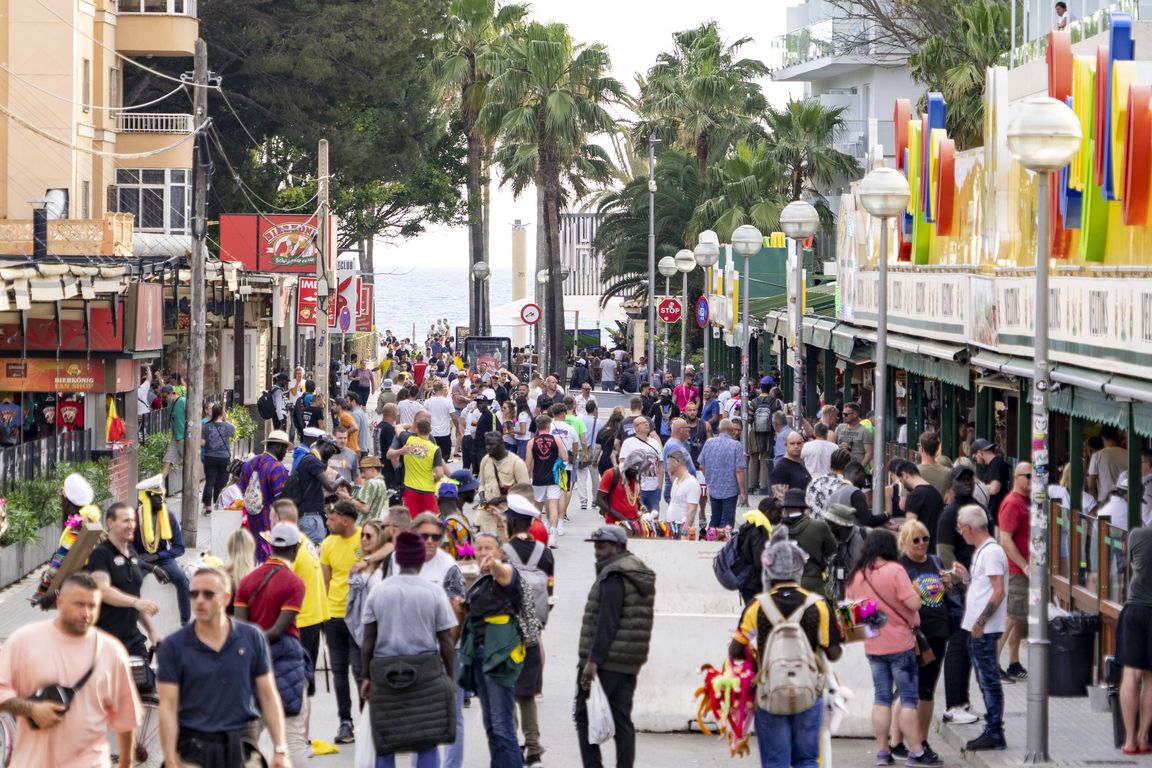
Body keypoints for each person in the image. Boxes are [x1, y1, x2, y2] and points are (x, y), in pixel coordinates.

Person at [729, 528, 843, 768]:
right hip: (809, 692)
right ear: (799, 568)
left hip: (769, 693)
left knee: (776, 762)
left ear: (769, 569)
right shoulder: (818, 605)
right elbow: (834, 653)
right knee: (807, 759)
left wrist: (757, 657)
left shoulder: (757, 606)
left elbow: (735, 651)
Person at [0, 573, 141, 767]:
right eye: (79, 605)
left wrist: (127, 764)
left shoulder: (112, 651)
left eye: (92, 606)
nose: (86, 614)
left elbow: (126, 719)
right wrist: (31, 709)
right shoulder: (24, 641)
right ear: (60, 603)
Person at [157, 567, 291, 768]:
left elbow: (268, 695)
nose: (199, 600)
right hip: (191, 745)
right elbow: (167, 706)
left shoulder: (252, 637)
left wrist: (280, 750)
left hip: (241, 744)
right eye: (194, 594)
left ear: (226, 598)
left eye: (208, 594)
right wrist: (169, 758)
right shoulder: (173, 646)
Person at [359, 530, 458, 768]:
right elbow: (445, 639)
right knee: (427, 740)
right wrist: (450, 677)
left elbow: (368, 640)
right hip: (426, 674)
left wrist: (366, 676)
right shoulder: (433, 592)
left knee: (385, 741)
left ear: (398, 558)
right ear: (420, 558)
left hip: (386, 675)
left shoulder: (378, 591)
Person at [846, 529, 940, 766]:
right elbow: (914, 603)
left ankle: (882, 751)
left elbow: (854, 615)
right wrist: (916, 592)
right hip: (900, 645)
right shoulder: (895, 570)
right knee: (908, 698)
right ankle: (916, 750)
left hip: (874, 645)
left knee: (881, 698)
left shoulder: (857, 575)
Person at [575, 526, 656, 768]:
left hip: (607, 660)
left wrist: (593, 661)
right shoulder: (635, 569)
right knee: (621, 718)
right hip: (628, 660)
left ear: (618, 547)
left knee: (583, 715)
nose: (597, 552)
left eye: (602, 546)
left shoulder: (614, 575)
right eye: (596, 546)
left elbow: (606, 622)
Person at [234, 524, 312, 768]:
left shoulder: (247, 581)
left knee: (247, 740)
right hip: (286, 663)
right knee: (292, 738)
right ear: (296, 548)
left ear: (271, 546)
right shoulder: (294, 583)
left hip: (252, 666)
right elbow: (279, 629)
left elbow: (241, 628)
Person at [459, 532, 526, 767]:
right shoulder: (481, 580)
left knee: (501, 724)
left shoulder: (506, 572)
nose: (483, 553)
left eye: (488, 548)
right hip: (480, 653)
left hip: (499, 656)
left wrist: (494, 564)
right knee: (490, 723)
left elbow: (503, 574)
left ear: (500, 551)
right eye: (479, 549)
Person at [893, 519, 952, 758]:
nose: (921, 544)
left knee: (927, 688)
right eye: (915, 540)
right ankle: (897, 742)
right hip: (911, 633)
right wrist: (911, 593)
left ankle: (922, 741)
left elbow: (946, 596)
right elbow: (893, 600)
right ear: (905, 542)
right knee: (907, 688)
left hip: (937, 631)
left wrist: (950, 585)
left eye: (925, 538)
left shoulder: (936, 562)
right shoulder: (899, 566)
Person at [953, 503, 1008, 751]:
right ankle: (993, 729)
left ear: (968, 527)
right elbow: (983, 588)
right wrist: (966, 577)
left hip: (983, 629)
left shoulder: (991, 552)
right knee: (985, 679)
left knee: (988, 680)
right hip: (978, 628)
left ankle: (994, 731)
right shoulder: (982, 552)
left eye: (960, 527)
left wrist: (981, 622)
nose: (959, 532)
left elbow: (998, 591)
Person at [504, 506, 555, 768]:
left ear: (512, 523)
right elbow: (550, 590)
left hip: (506, 629)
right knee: (526, 693)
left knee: (507, 689)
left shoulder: (503, 553)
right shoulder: (544, 553)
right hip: (533, 630)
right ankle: (533, 748)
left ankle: (511, 744)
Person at [934, 465, 985, 726]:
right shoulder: (950, 514)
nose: (966, 482)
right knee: (958, 643)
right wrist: (959, 584)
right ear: (952, 483)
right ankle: (954, 705)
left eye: (969, 478)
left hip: (976, 585)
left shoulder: (977, 509)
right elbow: (944, 553)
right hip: (959, 590)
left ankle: (962, 701)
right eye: (961, 478)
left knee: (967, 645)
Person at [87, 501, 160, 660]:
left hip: (132, 638)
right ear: (110, 523)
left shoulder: (132, 553)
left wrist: (152, 631)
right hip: (105, 639)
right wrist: (135, 602)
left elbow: (135, 598)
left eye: (133, 520)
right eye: (126, 520)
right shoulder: (100, 554)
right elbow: (103, 591)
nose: (131, 525)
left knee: (145, 676)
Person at [320, 499, 364, 744]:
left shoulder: (364, 539)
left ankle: (368, 718)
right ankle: (345, 722)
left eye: (332, 518)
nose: (328, 522)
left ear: (345, 521)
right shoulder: (328, 544)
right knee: (338, 671)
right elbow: (325, 582)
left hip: (359, 616)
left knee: (360, 670)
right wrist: (323, 613)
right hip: (334, 615)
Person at [134, 479, 191, 625]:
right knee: (130, 581)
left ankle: (186, 623)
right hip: (140, 559)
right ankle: (132, 623)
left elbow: (179, 548)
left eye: (162, 495)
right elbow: (127, 550)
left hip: (162, 559)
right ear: (146, 497)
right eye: (156, 496)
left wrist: (158, 555)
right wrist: (147, 564)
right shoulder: (133, 517)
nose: (161, 499)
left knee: (182, 578)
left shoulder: (169, 516)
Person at [1118, 513, 1152, 754]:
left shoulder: (1137, 535)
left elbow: (1132, 565)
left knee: (1130, 673)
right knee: (1151, 678)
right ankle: (1143, 737)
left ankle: (1129, 740)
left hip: (1135, 608)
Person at [997, 461, 1031, 682]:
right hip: (1016, 570)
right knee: (1011, 616)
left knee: (1018, 617)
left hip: (1023, 569)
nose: (1032, 480)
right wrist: (1024, 566)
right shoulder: (1012, 503)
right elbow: (1005, 540)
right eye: (1028, 476)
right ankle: (992, 661)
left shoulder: (1026, 502)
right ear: (1017, 477)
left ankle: (1013, 661)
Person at [238, 430, 293, 561]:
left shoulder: (249, 464)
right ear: (278, 447)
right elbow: (281, 501)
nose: (285, 453)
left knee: (252, 557)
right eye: (285, 449)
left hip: (250, 520)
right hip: (269, 522)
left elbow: (241, 489)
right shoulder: (277, 468)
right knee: (269, 558)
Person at [779, 489, 836, 595]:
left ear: (785, 508)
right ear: (804, 508)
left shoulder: (776, 530)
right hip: (813, 585)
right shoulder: (819, 526)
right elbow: (833, 550)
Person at [388, 417, 448, 517]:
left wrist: (410, 425)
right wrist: (434, 480)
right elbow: (439, 473)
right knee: (430, 520)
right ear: (430, 430)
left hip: (410, 490)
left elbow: (398, 427)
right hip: (428, 490)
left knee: (412, 520)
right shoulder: (435, 449)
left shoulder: (408, 440)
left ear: (417, 430)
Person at [526, 414, 569, 548]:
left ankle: (537, 534)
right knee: (553, 505)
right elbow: (565, 457)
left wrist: (527, 479)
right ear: (549, 426)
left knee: (537, 508)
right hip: (553, 477)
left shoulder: (531, 442)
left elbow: (528, 463)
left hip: (538, 478)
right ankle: (553, 536)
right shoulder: (556, 439)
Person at [698, 418, 748, 529]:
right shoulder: (736, 445)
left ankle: (711, 536)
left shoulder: (709, 443)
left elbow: (701, 465)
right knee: (727, 520)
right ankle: (724, 538)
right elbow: (739, 470)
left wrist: (709, 478)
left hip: (714, 488)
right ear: (731, 430)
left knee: (715, 517)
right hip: (730, 489)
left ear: (719, 429)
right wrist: (742, 491)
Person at [617, 415, 664, 515]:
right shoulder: (628, 443)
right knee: (638, 517)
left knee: (654, 518)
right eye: (643, 423)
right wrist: (627, 485)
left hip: (654, 489)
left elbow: (660, 464)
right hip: (637, 489)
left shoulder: (654, 442)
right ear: (636, 428)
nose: (646, 424)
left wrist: (659, 486)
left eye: (647, 422)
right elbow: (622, 464)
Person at [896, 461, 945, 555]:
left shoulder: (914, 496)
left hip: (920, 551)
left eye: (901, 481)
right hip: (934, 550)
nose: (904, 486)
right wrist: (897, 527)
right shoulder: (936, 493)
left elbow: (910, 529)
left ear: (904, 475)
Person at [201, 404, 235, 515]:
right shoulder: (227, 426)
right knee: (222, 483)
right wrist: (225, 418)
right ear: (221, 413)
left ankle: (207, 506)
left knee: (209, 482)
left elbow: (202, 443)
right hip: (224, 458)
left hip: (210, 457)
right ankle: (218, 504)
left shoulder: (205, 426)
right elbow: (233, 430)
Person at [480, 431, 530, 502]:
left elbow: (525, 491)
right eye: (487, 444)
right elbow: (482, 484)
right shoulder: (485, 460)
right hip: (488, 506)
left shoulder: (517, 463)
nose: (488, 447)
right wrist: (482, 497)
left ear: (502, 444)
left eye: (492, 445)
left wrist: (500, 499)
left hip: (508, 507)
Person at [971, 438, 1010, 527]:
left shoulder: (996, 464)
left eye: (975, 458)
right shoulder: (993, 465)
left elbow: (994, 488)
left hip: (998, 514)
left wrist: (978, 488)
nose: (977, 461)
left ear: (980, 453)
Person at [597, 452, 645, 524]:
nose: (635, 474)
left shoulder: (635, 476)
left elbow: (635, 497)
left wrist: (641, 506)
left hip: (634, 522)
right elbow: (599, 500)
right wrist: (621, 517)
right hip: (615, 523)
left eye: (637, 472)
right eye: (633, 471)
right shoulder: (610, 474)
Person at [1088, 425, 1128, 504]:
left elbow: (1091, 486)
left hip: (1105, 502)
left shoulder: (1097, 455)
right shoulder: (1128, 454)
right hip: (1124, 502)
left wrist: (1096, 503)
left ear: (1103, 437)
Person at [665, 449, 702, 528]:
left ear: (676, 463)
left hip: (682, 530)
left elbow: (692, 510)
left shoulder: (692, 483)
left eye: (669, 464)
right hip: (672, 527)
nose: (668, 468)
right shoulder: (676, 481)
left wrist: (684, 530)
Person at [770, 430, 812, 499]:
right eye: (792, 443)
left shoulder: (801, 465)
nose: (796, 446)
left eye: (798, 443)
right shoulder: (781, 469)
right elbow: (779, 499)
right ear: (786, 446)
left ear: (803, 445)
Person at [160, 384, 187, 486]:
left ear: (172, 394)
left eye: (165, 396)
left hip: (184, 437)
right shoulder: (171, 404)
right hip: (175, 437)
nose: (164, 399)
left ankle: (191, 485)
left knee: (188, 463)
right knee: (167, 461)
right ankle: (159, 485)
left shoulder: (183, 401)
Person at [835, 402, 872, 469]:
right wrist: (839, 446)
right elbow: (832, 445)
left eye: (846, 414)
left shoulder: (864, 431)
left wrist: (860, 468)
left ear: (855, 414)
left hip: (855, 467)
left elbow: (869, 453)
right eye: (843, 414)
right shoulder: (840, 427)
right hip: (840, 467)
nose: (843, 416)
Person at [916, 432, 952, 498]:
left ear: (921, 449)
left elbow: (903, 502)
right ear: (937, 448)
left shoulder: (913, 472)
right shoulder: (948, 472)